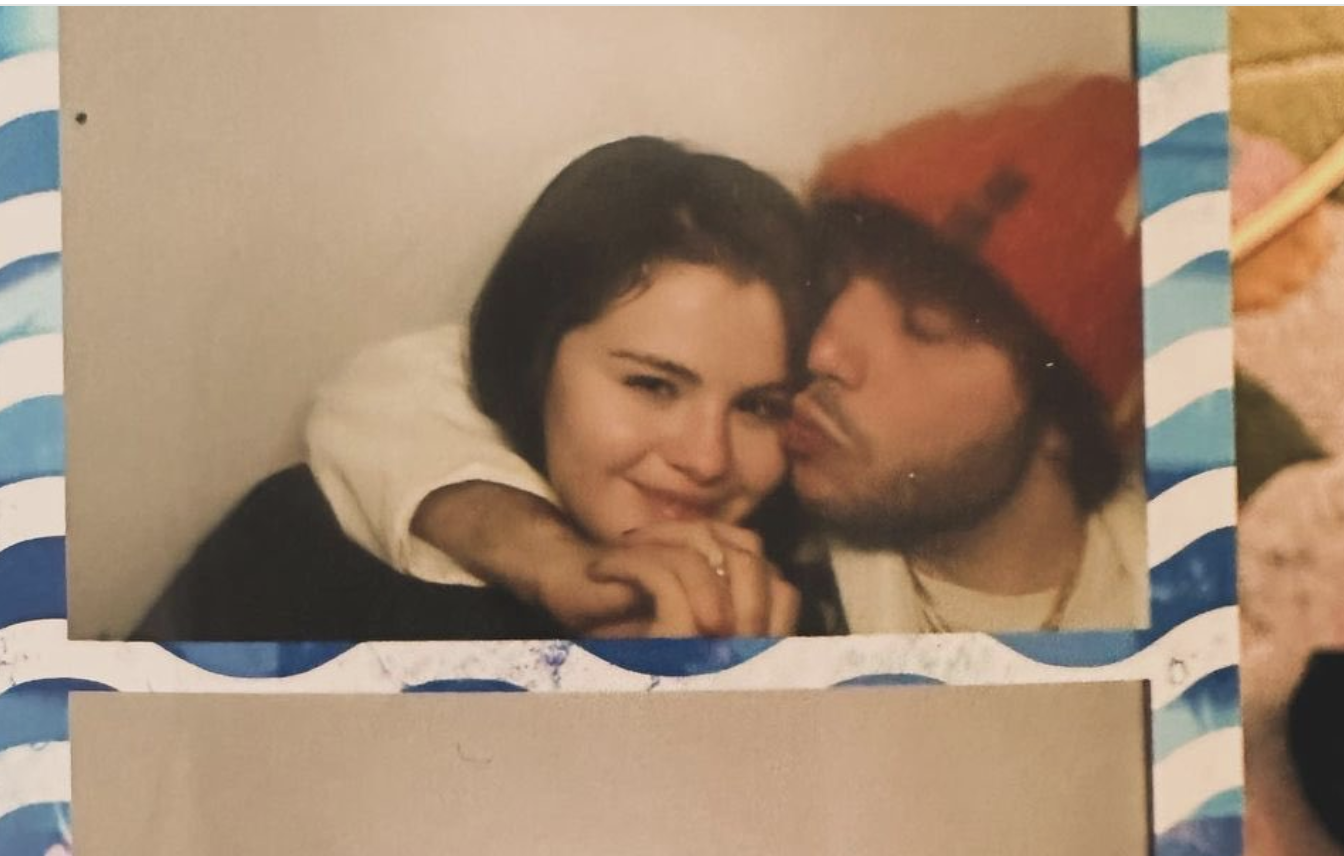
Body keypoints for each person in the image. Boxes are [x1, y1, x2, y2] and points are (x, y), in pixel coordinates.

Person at [307, 73, 1149, 635]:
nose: (822, 354)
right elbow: (398, 387)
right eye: (835, 296)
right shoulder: (785, 532)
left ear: (1065, 416)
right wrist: (551, 558)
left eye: (923, 325)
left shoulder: (1184, 588)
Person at [132, 135, 828, 641]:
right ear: (537, 360)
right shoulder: (298, 546)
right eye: (652, 384)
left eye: (759, 407)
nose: (706, 459)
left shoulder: (803, 614)